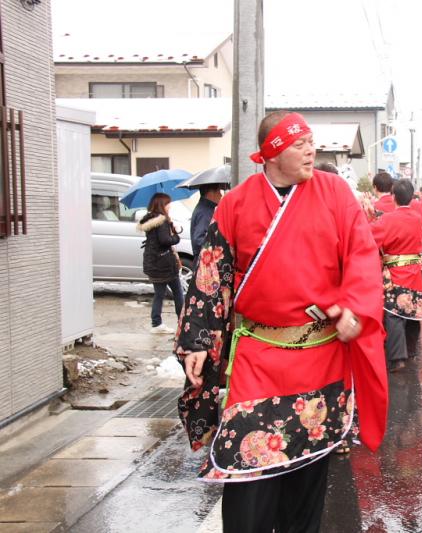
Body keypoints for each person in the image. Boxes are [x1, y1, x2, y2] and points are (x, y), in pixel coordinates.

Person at [174, 111, 388, 533]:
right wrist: (198, 339)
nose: (311, 150)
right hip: (258, 356)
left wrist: (355, 308)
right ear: (271, 155)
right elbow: (210, 273)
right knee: (247, 479)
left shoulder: (335, 193)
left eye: (311, 141)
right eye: (298, 144)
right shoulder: (236, 204)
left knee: (306, 480)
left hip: (320, 357)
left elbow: (362, 257)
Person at [371, 179, 422, 373]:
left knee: (393, 314)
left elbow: (370, 238)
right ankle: (411, 350)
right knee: (413, 312)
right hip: (414, 271)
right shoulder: (417, 217)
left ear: (393, 196)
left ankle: (397, 358)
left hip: (396, 272)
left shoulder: (388, 219)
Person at [138, 192, 184, 334]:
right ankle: (183, 322)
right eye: (168, 203)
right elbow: (165, 240)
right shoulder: (162, 220)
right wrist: (176, 236)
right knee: (178, 292)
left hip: (153, 262)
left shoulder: (150, 219)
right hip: (164, 264)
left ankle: (156, 323)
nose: (170, 206)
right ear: (162, 204)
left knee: (159, 293)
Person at [191, 184, 226, 258]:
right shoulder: (205, 211)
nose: (221, 195)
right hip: (204, 260)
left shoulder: (205, 208)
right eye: (218, 191)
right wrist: (218, 246)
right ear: (210, 193)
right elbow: (199, 239)